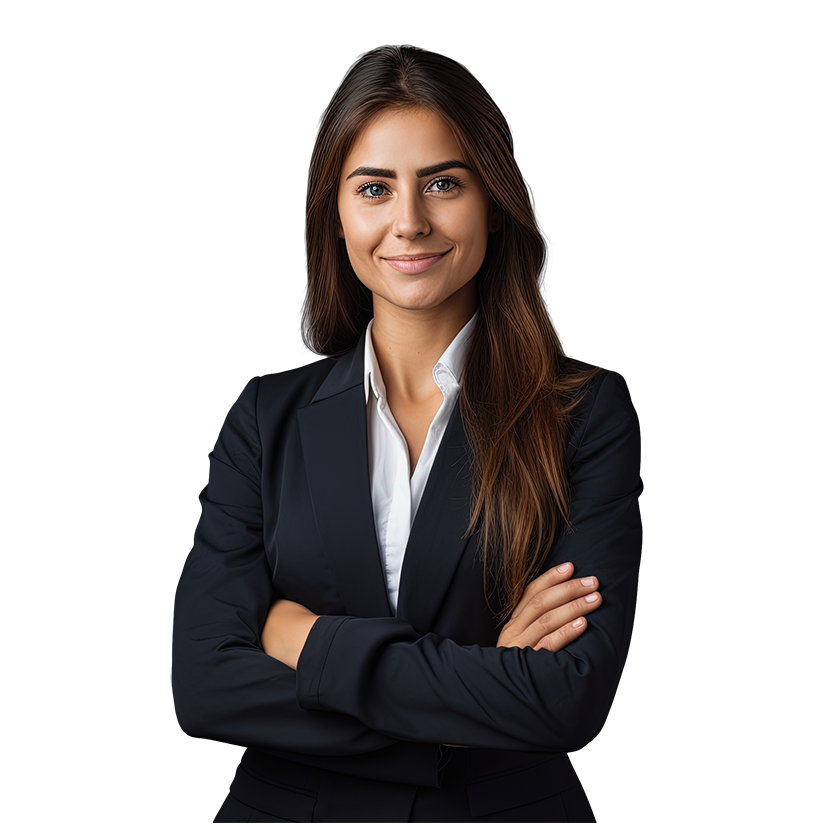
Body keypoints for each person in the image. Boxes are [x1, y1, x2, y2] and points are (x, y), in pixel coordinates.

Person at [171, 43, 643, 823]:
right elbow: (205, 684)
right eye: (374, 189)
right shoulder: (266, 418)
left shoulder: (583, 413)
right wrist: (480, 689)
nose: (410, 222)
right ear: (337, 212)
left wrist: (302, 636)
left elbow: (566, 699)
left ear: (493, 201)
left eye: (444, 184)